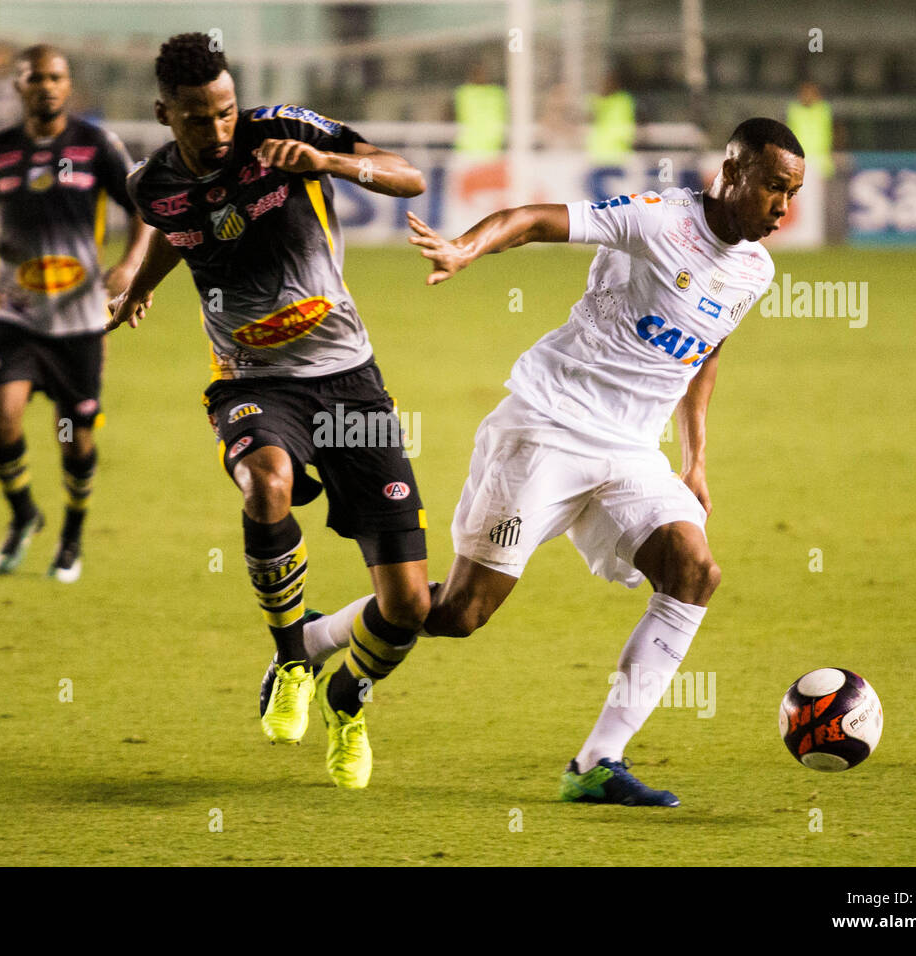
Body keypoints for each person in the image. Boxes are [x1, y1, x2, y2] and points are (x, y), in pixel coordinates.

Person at [307, 118, 805, 806]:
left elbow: (705, 352)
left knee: (694, 572)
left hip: (631, 452)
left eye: (793, 193)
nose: (784, 207)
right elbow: (533, 218)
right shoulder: (657, 220)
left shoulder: (756, 270)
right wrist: (465, 248)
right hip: (547, 427)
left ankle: (597, 763)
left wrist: (695, 459)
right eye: (774, 187)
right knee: (458, 613)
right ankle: (314, 640)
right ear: (732, 171)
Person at [106, 33, 428, 789]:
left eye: (224, 112)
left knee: (410, 602)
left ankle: (345, 697)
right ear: (165, 115)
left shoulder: (284, 130)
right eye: (195, 119)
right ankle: (290, 656)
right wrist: (143, 281)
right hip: (253, 379)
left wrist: (331, 164)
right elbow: (180, 233)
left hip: (350, 378)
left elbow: (407, 177)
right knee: (265, 484)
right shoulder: (150, 186)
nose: (217, 131)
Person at [0, 44, 150, 581]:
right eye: (35, 77)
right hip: (14, 314)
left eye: (56, 77)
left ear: (68, 86)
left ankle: (71, 536)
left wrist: (131, 264)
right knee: (2, 419)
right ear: (18, 87)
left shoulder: (95, 145)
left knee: (76, 437)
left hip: (79, 321)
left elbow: (143, 209)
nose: (46, 85)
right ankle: (24, 515)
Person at [453, 62, 508, 156]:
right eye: (477, 73)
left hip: (493, 148)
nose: (481, 76)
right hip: (468, 148)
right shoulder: (464, 93)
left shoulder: (496, 93)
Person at [586, 70, 636, 164]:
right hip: (597, 154)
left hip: (618, 154)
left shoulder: (623, 101)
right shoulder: (595, 100)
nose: (606, 85)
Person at [786, 81, 834, 179]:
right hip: (799, 159)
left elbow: (832, 133)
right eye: (805, 93)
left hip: (820, 161)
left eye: (811, 93)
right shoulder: (793, 111)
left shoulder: (824, 110)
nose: (808, 96)